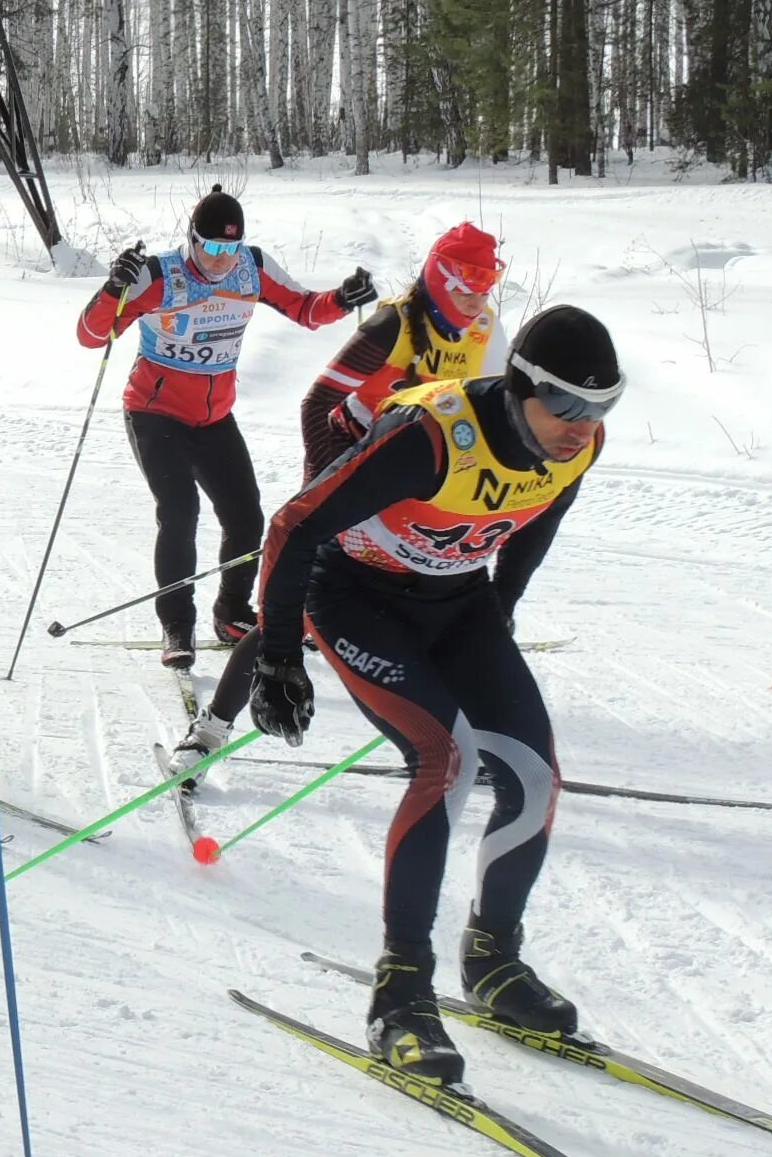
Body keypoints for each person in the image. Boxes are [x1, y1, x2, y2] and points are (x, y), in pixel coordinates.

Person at [250, 305, 622, 1083]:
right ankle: (400, 994)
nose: (581, 426)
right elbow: (292, 526)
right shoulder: (430, 439)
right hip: (354, 598)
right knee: (445, 760)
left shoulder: (575, 451)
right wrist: (279, 655)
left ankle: (492, 961)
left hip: (457, 602)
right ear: (520, 385)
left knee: (533, 775)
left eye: (601, 408)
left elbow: (534, 529)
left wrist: (501, 618)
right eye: (565, 406)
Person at [175, 223, 509, 779]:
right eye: (467, 284)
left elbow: (489, 408)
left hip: (419, 485)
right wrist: (333, 484)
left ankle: (465, 738)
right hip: (355, 471)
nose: (478, 298)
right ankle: (210, 730)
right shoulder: (394, 325)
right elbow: (319, 402)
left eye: (488, 284)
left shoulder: (482, 331)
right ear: (439, 277)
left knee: (438, 601)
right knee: (299, 606)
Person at [76, 185, 375, 668]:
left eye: (229, 249)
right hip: (155, 413)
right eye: (212, 248)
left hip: (214, 418)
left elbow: (304, 308)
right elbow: (92, 335)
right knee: (180, 512)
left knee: (246, 517)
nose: (220, 260)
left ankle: (231, 610)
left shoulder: (250, 268)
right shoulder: (159, 275)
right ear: (192, 239)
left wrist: (343, 298)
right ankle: (177, 624)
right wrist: (114, 288)